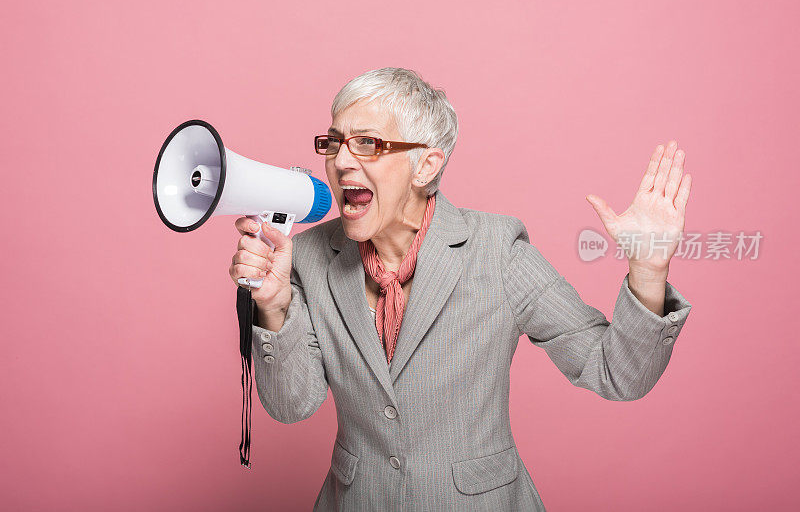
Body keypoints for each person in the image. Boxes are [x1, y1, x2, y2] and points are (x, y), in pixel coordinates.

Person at [228, 67, 693, 511]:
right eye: (334, 143)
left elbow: (616, 371)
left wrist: (649, 270)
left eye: (367, 143)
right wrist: (272, 305)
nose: (341, 161)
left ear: (426, 164)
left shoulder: (497, 251)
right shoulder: (306, 257)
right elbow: (292, 405)